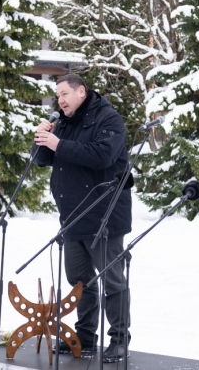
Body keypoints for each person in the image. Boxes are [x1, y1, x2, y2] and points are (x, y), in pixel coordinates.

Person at [33, 73, 132, 363]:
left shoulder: (108, 119)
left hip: (104, 215)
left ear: (81, 92)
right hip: (73, 217)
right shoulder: (63, 124)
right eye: (58, 95)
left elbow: (101, 156)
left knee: (112, 281)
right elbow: (41, 160)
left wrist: (57, 144)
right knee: (79, 281)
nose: (60, 100)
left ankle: (119, 338)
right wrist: (42, 139)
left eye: (64, 94)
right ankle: (85, 336)